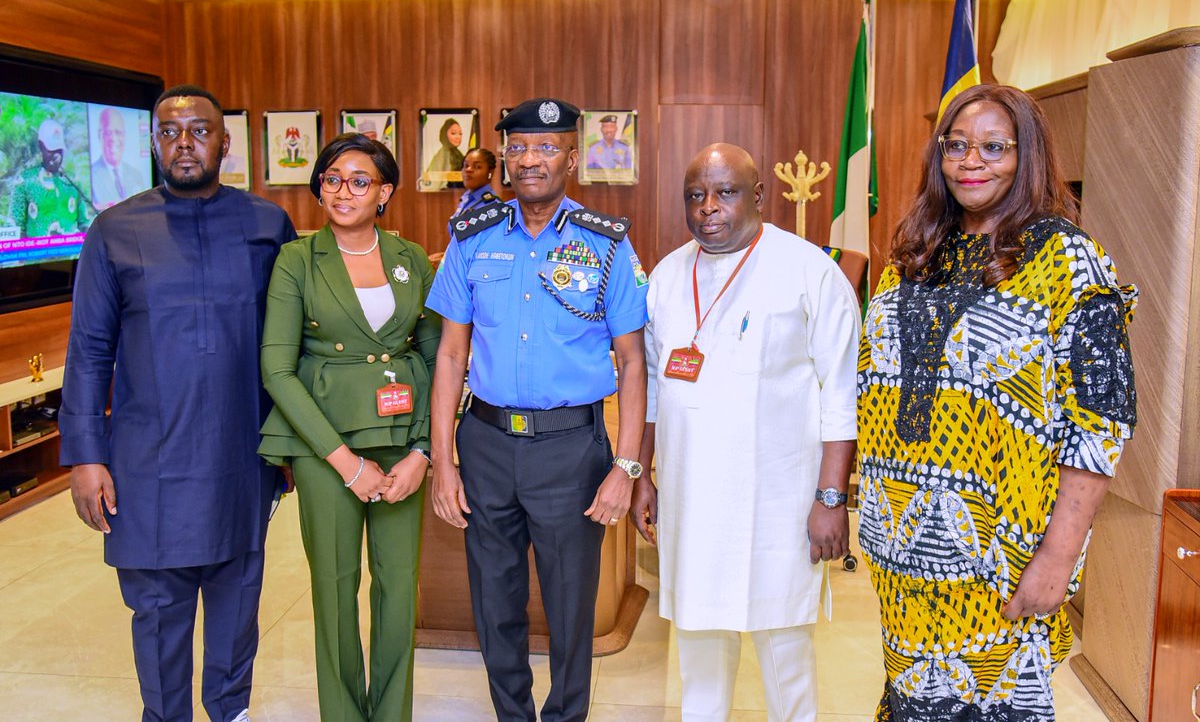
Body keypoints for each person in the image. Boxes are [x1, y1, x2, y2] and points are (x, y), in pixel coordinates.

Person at [856, 84, 1137, 720]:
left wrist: (1058, 559)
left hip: (999, 558)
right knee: (912, 704)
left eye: (992, 147)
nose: (971, 161)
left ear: (1027, 156)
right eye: (956, 146)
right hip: (902, 551)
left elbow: (1103, 425)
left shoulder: (1069, 262)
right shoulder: (916, 255)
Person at [59, 84, 296, 722]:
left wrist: (292, 445)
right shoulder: (114, 230)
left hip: (240, 455)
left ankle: (231, 711)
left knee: (237, 602)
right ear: (155, 144)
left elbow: (293, 346)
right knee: (158, 615)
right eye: (170, 132)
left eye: (199, 130)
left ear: (225, 142)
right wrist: (85, 456)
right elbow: (88, 352)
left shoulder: (266, 225)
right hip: (145, 462)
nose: (184, 143)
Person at [425, 97, 649, 722]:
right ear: (505, 159)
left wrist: (625, 468)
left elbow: (634, 363)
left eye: (546, 148)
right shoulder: (473, 239)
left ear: (571, 159)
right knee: (493, 603)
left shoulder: (606, 246)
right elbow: (449, 357)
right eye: (518, 148)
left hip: (571, 449)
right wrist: (444, 461)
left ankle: (566, 716)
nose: (530, 160)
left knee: (571, 605)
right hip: (487, 444)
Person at [632, 143, 860, 722]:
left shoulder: (810, 272)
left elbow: (841, 395)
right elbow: (655, 388)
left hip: (778, 505)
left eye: (725, 192)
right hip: (691, 499)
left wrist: (832, 499)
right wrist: (643, 476)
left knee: (784, 651)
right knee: (700, 651)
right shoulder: (665, 275)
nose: (708, 207)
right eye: (695, 195)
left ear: (759, 196)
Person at [258, 133, 441, 722]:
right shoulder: (297, 258)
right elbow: (278, 370)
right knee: (335, 592)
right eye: (332, 178)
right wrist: (347, 463)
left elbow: (442, 361)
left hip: (402, 444)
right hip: (326, 448)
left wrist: (423, 452)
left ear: (384, 191)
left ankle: (391, 715)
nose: (343, 191)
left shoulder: (412, 258)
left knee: (396, 591)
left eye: (360, 181)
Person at [9, 118, 90, 236]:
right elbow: (15, 227)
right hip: (36, 253)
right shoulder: (25, 180)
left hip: (72, 253)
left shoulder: (72, 181)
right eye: (51, 150)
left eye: (59, 150)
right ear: (41, 146)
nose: (56, 156)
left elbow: (84, 223)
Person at [90, 106, 143, 210]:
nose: (113, 139)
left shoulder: (136, 175)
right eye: (108, 133)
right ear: (99, 135)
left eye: (118, 133)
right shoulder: (92, 176)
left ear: (124, 136)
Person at [449, 146, 500, 226]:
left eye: (477, 167)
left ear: (490, 172)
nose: (468, 170)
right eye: (466, 165)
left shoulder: (492, 206)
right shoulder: (466, 198)